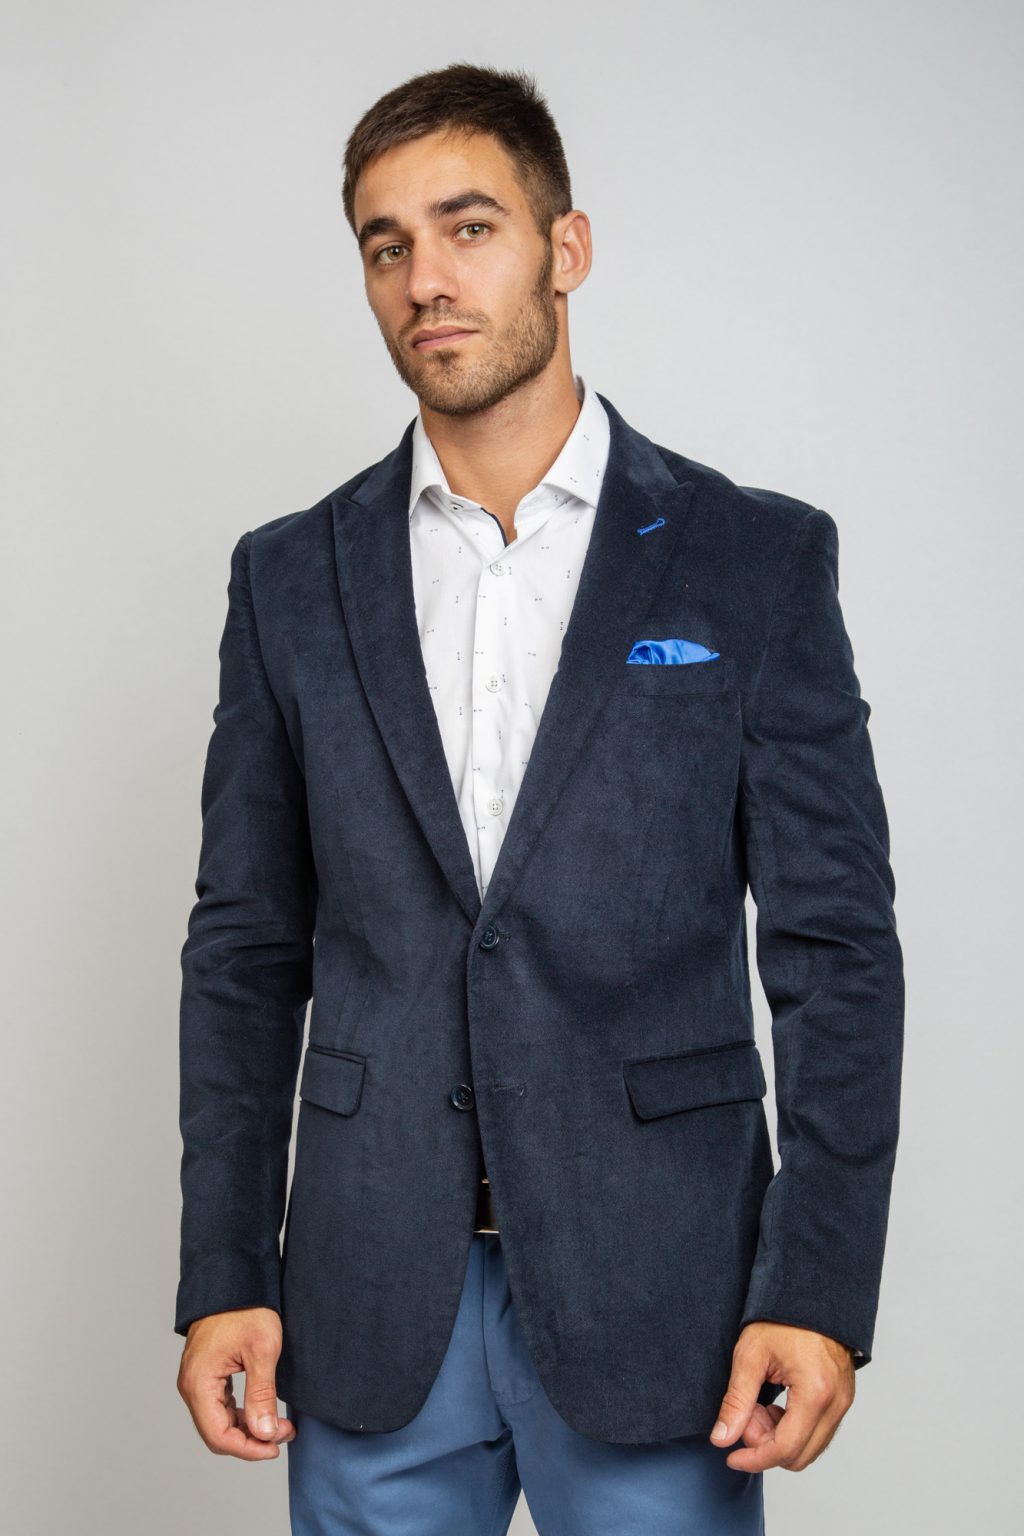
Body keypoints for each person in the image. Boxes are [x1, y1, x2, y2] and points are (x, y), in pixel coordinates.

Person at [174, 62, 904, 1536]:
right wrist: (224, 1272)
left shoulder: (750, 562)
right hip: (370, 1298)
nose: (426, 280)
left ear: (566, 248)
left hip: (665, 1296)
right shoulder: (290, 578)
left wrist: (819, 1289)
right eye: (387, 245)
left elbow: (836, 953)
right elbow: (244, 952)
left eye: (470, 228)